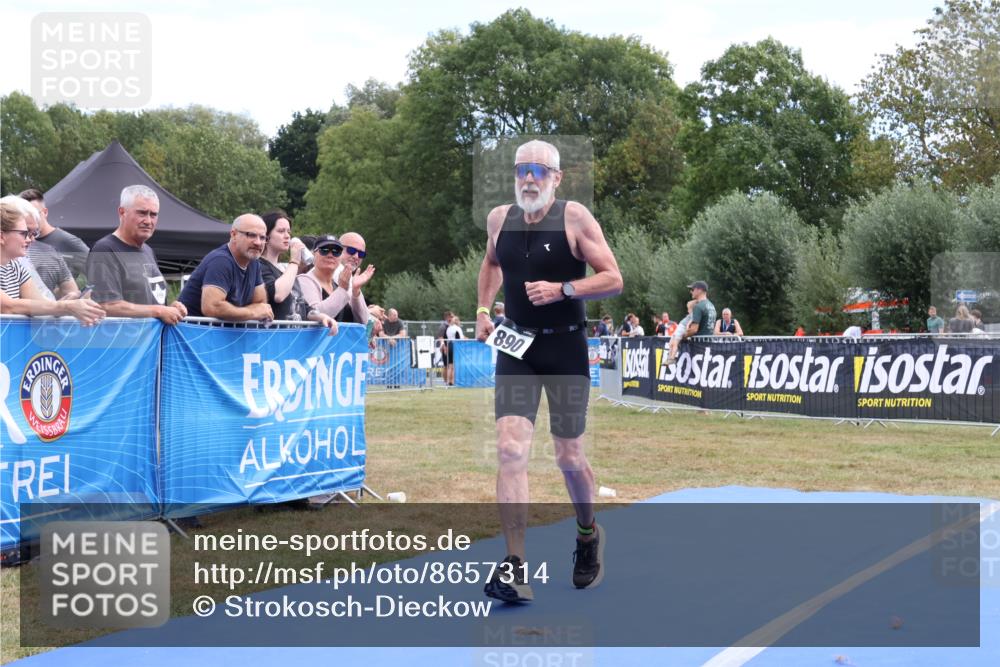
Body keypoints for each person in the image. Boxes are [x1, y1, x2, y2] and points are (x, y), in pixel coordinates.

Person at [475, 139, 623, 602]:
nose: (530, 179)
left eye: (540, 171)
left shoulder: (574, 217)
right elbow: (491, 263)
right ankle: (515, 564)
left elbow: (614, 278)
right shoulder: (499, 218)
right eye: (523, 170)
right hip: (516, 347)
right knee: (510, 449)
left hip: (565, 348)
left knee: (568, 457)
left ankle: (587, 533)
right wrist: (482, 309)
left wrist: (564, 289)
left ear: (557, 178)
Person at [85, 185, 187, 324]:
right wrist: (158, 310)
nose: (148, 221)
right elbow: (106, 306)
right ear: (122, 212)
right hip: (123, 342)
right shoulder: (105, 250)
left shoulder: (148, 251)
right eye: (142, 213)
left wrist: (170, 309)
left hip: (151, 342)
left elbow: (148, 304)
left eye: (153, 214)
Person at [0, 196, 103, 325]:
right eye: (24, 233)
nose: (30, 239)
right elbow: (8, 307)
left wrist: (67, 304)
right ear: (2, 236)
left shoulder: (17, 267)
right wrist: (66, 307)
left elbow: (40, 305)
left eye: (32, 233)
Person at [177, 214, 273, 321]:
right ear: (234, 234)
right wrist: (252, 312)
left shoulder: (254, 263)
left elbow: (260, 304)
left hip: (217, 335)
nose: (258, 242)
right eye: (251, 235)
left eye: (263, 237)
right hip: (192, 334)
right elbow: (211, 307)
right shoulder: (221, 261)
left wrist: (252, 311)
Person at [258, 210, 337, 334]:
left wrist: (321, 317)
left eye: (288, 231)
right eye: (281, 231)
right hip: (274, 340)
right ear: (266, 235)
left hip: (294, 341)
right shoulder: (259, 265)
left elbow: (302, 304)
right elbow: (278, 295)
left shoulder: (286, 271)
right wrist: (294, 261)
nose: (287, 236)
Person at [298, 233, 374, 323]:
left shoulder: (341, 282)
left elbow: (363, 321)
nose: (330, 255)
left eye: (336, 251)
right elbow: (314, 315)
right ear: (314, 253)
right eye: (324, 250)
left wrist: (356, 291)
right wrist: (342, 289)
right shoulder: (304, 280)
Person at [19, 188, 89, 277]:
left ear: (45, 212)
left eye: (35, 214)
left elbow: (102, 273)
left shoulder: (67, 241)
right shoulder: (19, 241)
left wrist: (80, 291)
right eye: (25, 214)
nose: (30, 218)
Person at [20, 200, 79, 300]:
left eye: (34, 233)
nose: (32, 239)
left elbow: (71, 291)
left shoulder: (50, 252)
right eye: (26, 232)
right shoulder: (15, 263)